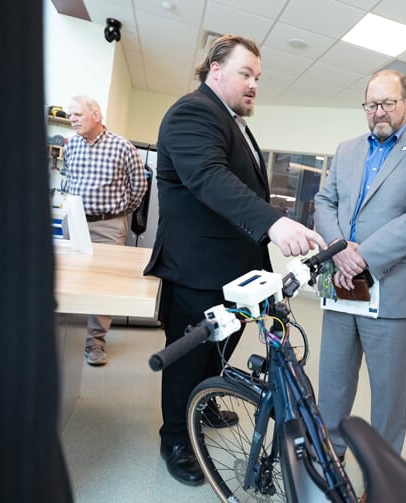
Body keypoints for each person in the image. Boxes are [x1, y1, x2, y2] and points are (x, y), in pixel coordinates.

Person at [143, 34, 326, 486]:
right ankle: (176, 441)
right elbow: (209, 177)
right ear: (215, 69)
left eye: (258, 77)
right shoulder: (193, 112)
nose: (254, 85)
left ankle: (203, 405)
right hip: (197, 269)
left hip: (233, 274)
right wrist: (274, 223)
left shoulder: (233, 122)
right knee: (189, 359)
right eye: (245, 74)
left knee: (216, 353)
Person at [314, 69, 406, 459]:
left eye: (387, 103)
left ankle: (383, 477)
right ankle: (331, 459)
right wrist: (339, 248)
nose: (379, 112)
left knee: (388, 397)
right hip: (341, 286)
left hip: (393, 296)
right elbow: (324, 202)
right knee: (333, 384)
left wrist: (362, 256)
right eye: (371, 105)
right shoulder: (346, 150)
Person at [63, 95, 148, 366]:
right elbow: (68, 177)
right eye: (70, 115)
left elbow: (139, 187)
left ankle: (95, 344)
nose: (72, 119)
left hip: (108, 224)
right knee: (66, 278)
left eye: (77, 114)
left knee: (105, 283)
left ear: (96, 116)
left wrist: (120, 213)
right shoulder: (71, 144)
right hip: (74, 221)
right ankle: (61, 338)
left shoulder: (122, 146)